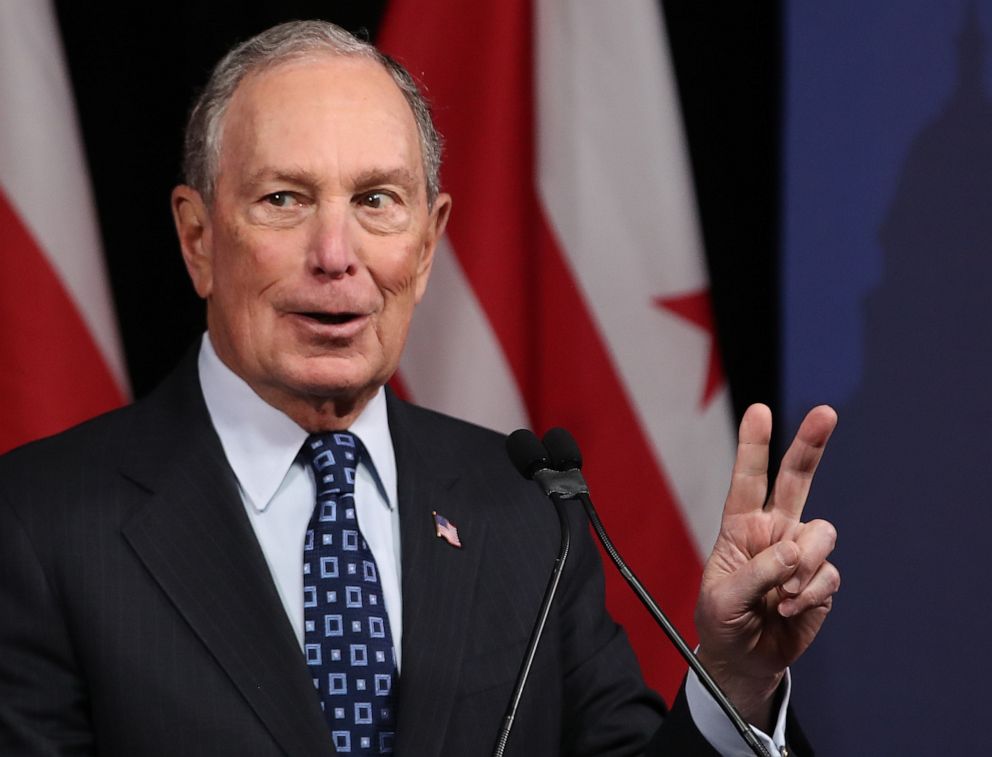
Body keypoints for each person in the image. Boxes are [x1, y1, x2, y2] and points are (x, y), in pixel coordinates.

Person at [0, 20, 839, 756]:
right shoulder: (40, 523)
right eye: (285, 199)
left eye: (376, 201)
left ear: (429, 244)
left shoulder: (527, 516)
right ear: (197, 238)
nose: (337, 254)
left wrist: (733, 683)